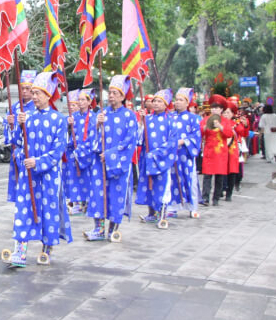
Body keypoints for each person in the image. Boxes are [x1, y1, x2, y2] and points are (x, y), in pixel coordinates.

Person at [3, 71, 72, 266]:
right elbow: (16, 142)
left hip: (49, 175)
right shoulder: (27, 117)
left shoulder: (59, 119)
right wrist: (18, 125)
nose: (33, 97)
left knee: (48, 209)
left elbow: (59, 149)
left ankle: (47, 248)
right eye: (32, 93)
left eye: (37, 93)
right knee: (24, 209)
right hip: (28, 175)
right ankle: (20, 251)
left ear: (48, 95)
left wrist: (39, 162)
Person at [86, 75, 138, 241]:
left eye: (115, 93)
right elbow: (90, 138)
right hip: (99, 163)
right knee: (98, 194)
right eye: (110, 93)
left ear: (123, 97)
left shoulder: (129, 116)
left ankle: (112, 229)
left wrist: (109, 155)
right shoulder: (100, 114)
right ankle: (98, 229)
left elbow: (130, 141)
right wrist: (97, 125)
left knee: (116, 195)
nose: (111, 96)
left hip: (117, 165)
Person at [135, 88, 179, 228]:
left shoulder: (171, 121)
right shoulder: (147, 119)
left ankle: (163, 215)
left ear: (166, 104)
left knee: (162, 187)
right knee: (149, 186)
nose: (156, 104)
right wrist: (141, 123)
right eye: (154, 101)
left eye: (159, 101)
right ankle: (151, 214)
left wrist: (157, 153)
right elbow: (139, 139)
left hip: (162, 160)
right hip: (147, 159)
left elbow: (172, 142)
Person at [65, 88, 98, 216]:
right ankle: (77, 204)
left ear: (89, 102)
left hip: (87, 153)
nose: (80, 102)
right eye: (79, 99)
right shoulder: (74, 117)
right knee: (75, 178)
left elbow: (93, 137)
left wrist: (82, 150)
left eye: (83, 100)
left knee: (88, 178)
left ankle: (88, 203)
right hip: (75, 153)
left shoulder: (93, 118)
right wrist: (68, 125)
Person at [5, 70, 37, 202]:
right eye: (22, 88)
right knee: (19, 183)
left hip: (32, 152)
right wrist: (9, 124)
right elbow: (6, 132)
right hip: (17, 152)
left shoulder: (37, 107)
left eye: (28, 89)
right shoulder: (14, 107)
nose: (24, 91)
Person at [172, 88, 202, 218]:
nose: (177, 102)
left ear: (187, 102)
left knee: (189, 179)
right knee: (173, 180)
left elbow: (196, 137)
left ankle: (193, 207)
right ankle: (172, 207)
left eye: (181, 100)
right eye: (176, 100)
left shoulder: (194, 118)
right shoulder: (170, 117)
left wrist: (184, 141)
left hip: (187, 154)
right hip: (173, 154)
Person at [201, 94, 233, 206]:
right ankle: (205, 198)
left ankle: (216, 199)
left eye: (217, 108)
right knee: (207, 176)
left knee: (219, 176)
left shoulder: (225, 121)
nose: (214, 110)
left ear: (221, 110)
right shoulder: (206, 119)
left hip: (221, 152)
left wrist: (220, 126)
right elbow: (200, 133)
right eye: (213, 107)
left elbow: (229, 134)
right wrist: (205, 127)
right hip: (209, 151)